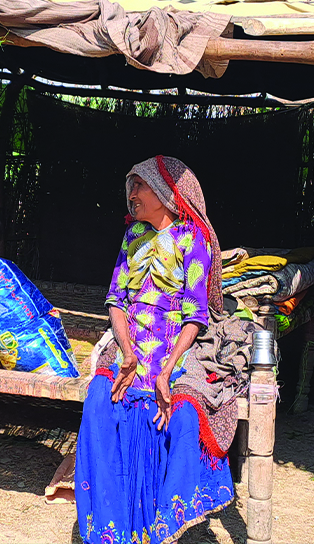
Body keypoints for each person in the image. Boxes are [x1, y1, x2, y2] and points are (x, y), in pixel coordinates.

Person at [75, 156, 234, 544]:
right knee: (99, 402)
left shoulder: (192, 240)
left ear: (165, 193)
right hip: (129, 345)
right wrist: (127, 352)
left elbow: (196, 315)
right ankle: (109, 529)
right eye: (130, 186)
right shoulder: (132, 238)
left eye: (140, 186)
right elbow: (116, 301)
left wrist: (167, 368)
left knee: (182, 416)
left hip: (174, 348)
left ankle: (164, 524)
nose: (132, 195)